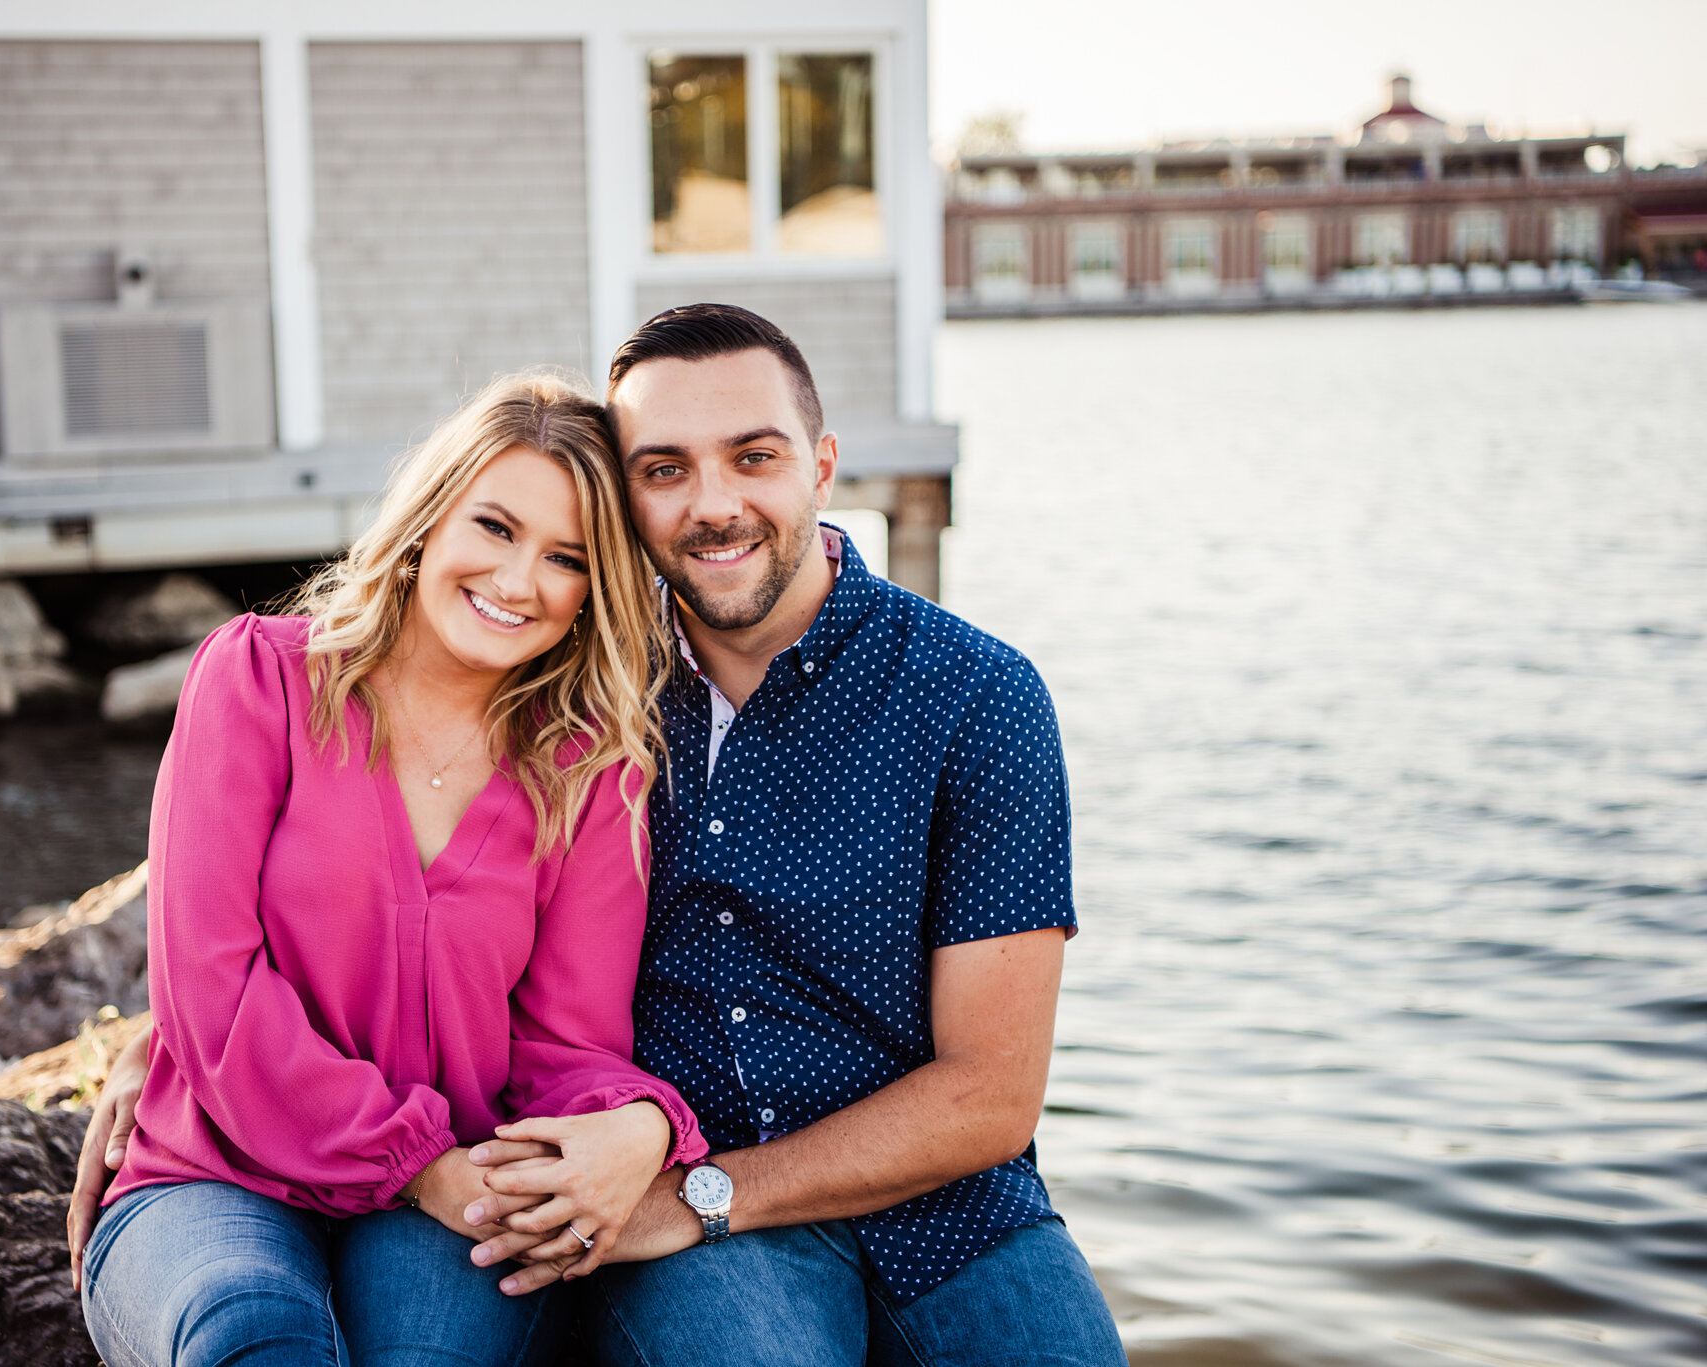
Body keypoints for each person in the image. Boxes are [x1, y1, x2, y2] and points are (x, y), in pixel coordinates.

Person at [75, 308, 1128, 1366]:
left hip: (919, 1204)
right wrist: (167, 1033)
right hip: (675, 1205)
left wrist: (681, 1172)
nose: (713, 504)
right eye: (664, 468)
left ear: (820, 464)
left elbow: (989, 1089)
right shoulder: (596, 693)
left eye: (753, 458)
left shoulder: (971, 696)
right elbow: (253, 932)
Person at [72, 371, 707, 1367]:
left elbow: (562, 1041)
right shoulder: (259, 679)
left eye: (565, 558)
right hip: (215, 1170)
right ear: (427, 516)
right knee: (256, 1336)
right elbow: (211, 990)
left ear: (594, 590)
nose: (516, 579)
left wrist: (635, 1125)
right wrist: (416, 1161)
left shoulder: (588, 767)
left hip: (457, 1186)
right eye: (493, 526)